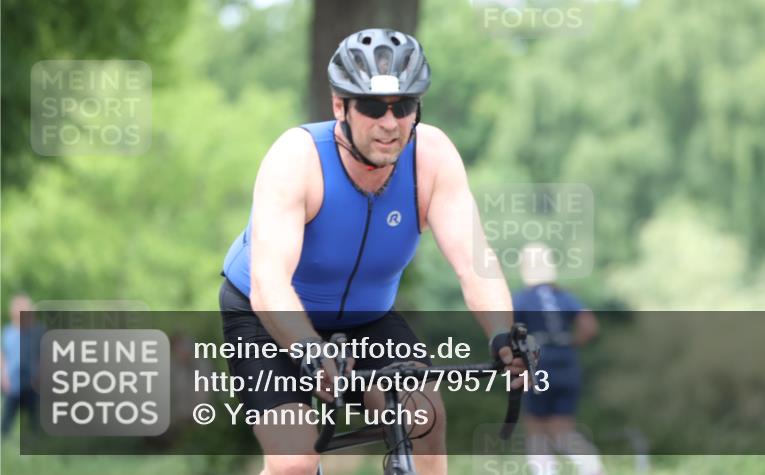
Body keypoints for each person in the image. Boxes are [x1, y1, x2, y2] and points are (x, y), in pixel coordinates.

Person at [219, 28, 526, 475]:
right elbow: (269, 285)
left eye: (403, 107)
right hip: (265, 316)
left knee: (426, 418)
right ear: (339, 106)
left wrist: (503, 335)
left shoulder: (433, 157)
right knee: (295, 462)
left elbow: (474, 263)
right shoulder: (297, 158)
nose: (389, 123)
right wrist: (309, 350)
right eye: (371, 107)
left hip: (368, 318)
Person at [512, 243, 603, 475]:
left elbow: (510, 332)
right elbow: (590, 327)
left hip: (538, 364)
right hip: (567, 364)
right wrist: (570, 341)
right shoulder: (564, 297)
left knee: (536, 429)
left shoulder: (522, 299)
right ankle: (592, 467)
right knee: (562, 428)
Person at [1, 294, 41, 439]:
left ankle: (38, 442)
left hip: (32, 380)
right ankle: (4, 440)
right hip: (12, 381)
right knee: (8, 415)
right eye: (18, 307)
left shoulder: (36, 331)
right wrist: (3, 376)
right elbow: (3, 355)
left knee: (35, 416)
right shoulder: (7, 332)